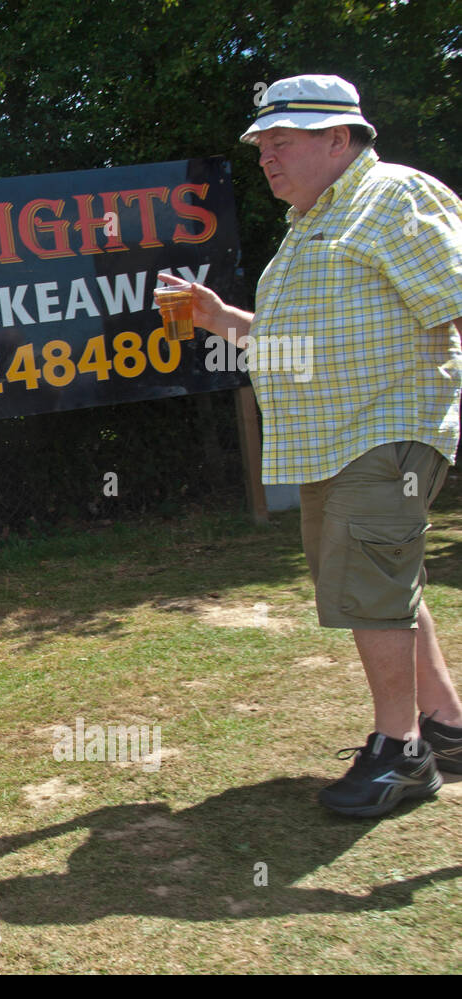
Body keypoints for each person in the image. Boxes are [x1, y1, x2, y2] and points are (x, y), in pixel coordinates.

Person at [171, 75, 462, 817]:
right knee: (381, 576)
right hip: (329, 440)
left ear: (340, 138)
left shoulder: (393, 198)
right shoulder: (309, 224)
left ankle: (400, 753)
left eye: (282, 141)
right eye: (262, 144)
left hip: (387, 424)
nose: (267, 157)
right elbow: (292, 346)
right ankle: (448, 726)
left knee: (371, 576)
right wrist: (220, 318)